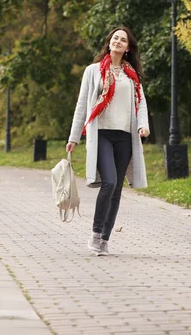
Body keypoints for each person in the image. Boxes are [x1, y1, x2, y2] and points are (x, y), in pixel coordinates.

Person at [66, 26, 150, 256]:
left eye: (123, 40)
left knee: (117, 190)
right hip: (101, 134)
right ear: (109, 42)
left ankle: (105, 238)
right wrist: (74, 137)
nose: (118, 42)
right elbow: (82, 105)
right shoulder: (93, 71)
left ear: (128, 47)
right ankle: (95, 233)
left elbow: (140, 104)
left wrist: (143, 126)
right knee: (110, 182)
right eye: (115, 38)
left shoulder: (132, 76)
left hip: (124, 136)